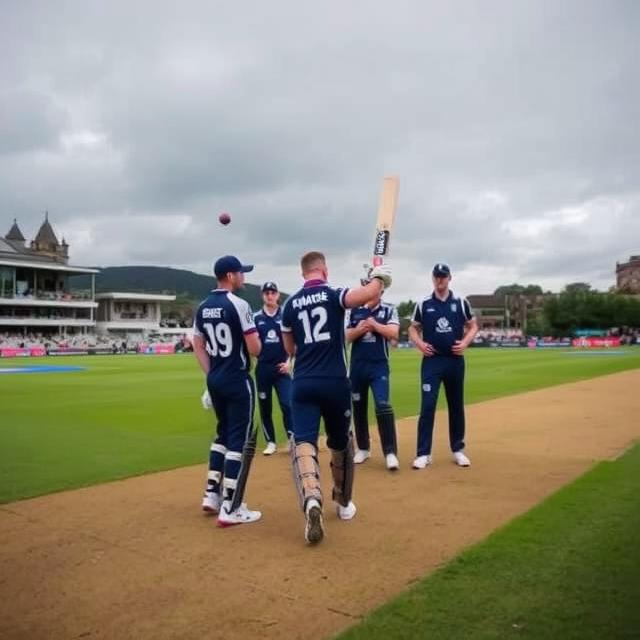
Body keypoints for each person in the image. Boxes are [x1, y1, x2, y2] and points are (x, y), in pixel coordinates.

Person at [281, 251, 392, 544]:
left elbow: (290, 348)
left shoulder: (290, 304)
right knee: (341, 443)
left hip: (303, 382)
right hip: (334, 381)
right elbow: (368, 293)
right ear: (324, 270)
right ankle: (343, 504)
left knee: (303, 441)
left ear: (303, 272)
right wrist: (380, 274)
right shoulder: (332, 293)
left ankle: (311, 500)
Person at [192, 255, 262, 526]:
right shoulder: (239, 304)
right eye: (241, 273)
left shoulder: (203, 306)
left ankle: (212, 494)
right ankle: (231, 507)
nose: (243, 277)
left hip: (216, 378)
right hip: (238, 379)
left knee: (222, 433)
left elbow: (197, 344)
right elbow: (254, 348)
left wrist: (212, 375)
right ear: (230, 276)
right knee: (239, 440)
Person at [408, 262, 479, 469]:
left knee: (456, 405)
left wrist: (465, 342)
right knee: (427, 406)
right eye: (437, 276)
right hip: (432, 361)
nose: (440, 279)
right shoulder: (423, 303)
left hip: (455, 361)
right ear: (432, 278)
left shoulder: (460, 302)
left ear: (449, 278)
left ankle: (458, 449)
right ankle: (423, 453)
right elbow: (413, 329)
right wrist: (420, 344)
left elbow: (473, 325)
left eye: (443, 276)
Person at [346, 283, 400, 470]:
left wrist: (375, 325)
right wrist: (360, 329)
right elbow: (346, 336)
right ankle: (363, 448)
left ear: (381, 291)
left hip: (379, 367)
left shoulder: (389, 310)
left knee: (383, 405)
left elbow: (394, 333)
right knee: (358, 407)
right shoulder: (353, 311)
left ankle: (390, 452)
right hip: (358, 367)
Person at [253, 281, 293, 455]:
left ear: (278, 295)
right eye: (266, 293)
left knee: (287, 404)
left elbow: (295, 340)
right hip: (263, 368)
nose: (269, 296)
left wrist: (290, 362)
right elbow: (251, 343)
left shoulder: (285, 315)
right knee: (265, 407)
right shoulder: (256, 318)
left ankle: (292, 438)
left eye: (272, 293)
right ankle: (271, 441)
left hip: (282, 368)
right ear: (262, 295)